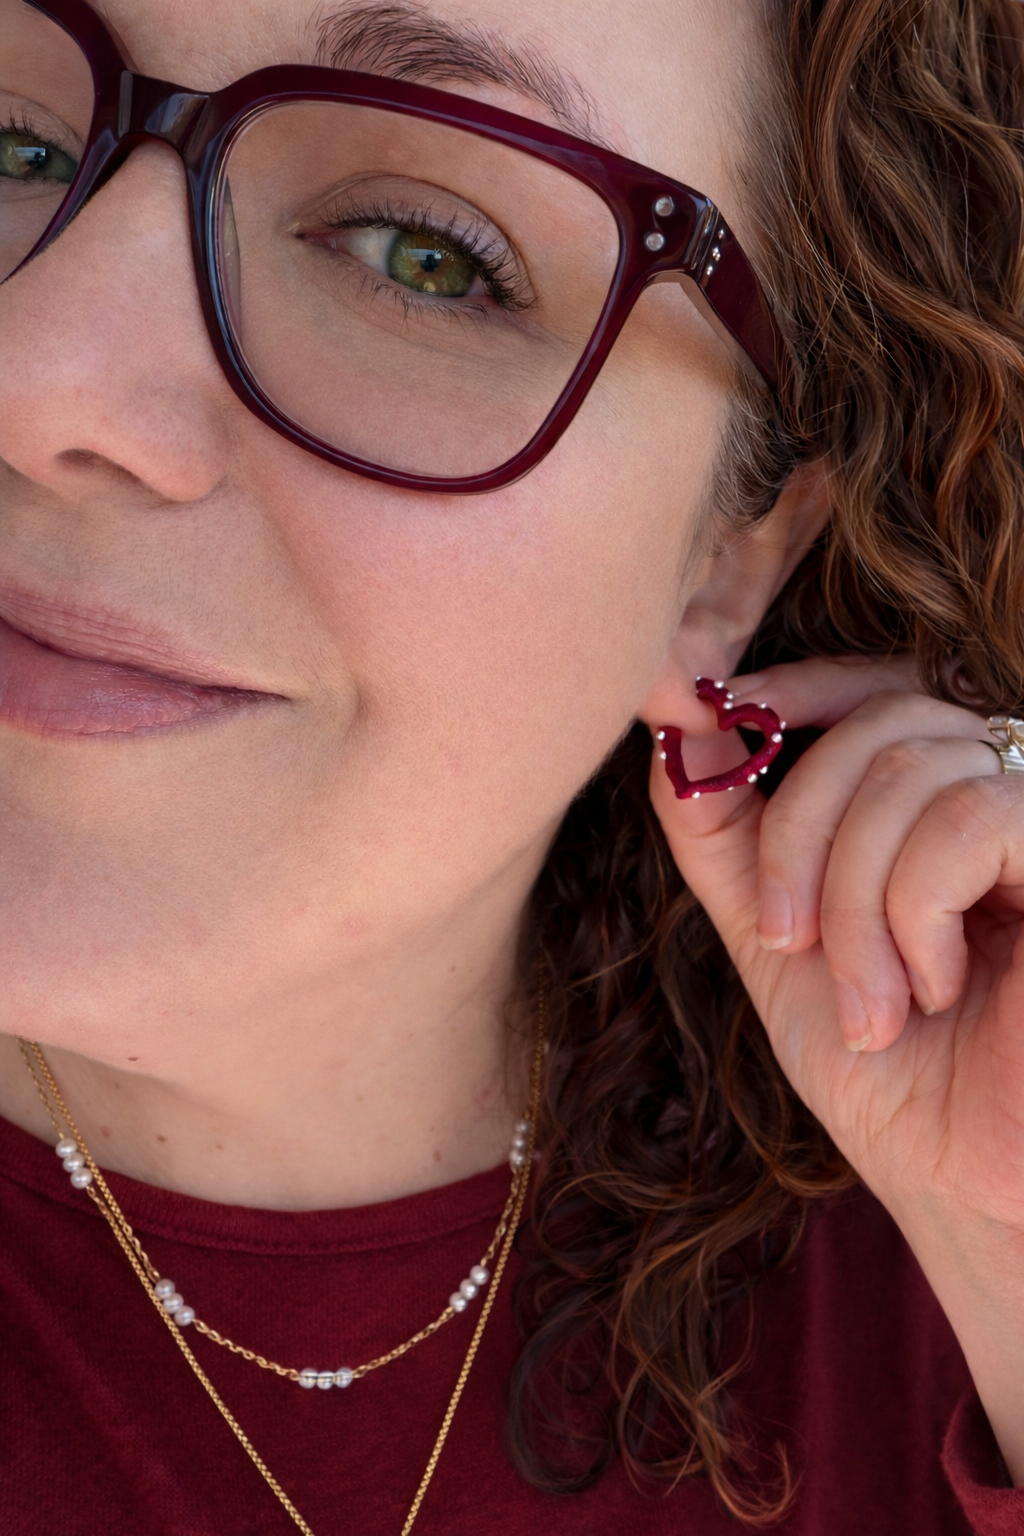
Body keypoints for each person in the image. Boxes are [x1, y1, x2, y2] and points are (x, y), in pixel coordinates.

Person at [0, 0, 1022, 1531]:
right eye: (11, 145)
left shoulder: (937, 1251)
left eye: (422, 256)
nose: (38, 373)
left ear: (734, 553)